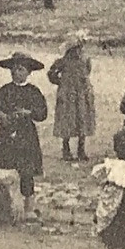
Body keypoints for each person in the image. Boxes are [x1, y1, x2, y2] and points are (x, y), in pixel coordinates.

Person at [0, 50, 49, 220]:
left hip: (26, 137)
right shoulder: (4, 91)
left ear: (29, 72)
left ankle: (29, 209)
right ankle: (3, 208)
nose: (17, 73)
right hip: (7, 136)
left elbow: (42, 113)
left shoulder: (34, 92)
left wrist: (28, 112)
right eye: (14, 69)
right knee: (4, 170)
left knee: (26, 173)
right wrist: (2, 116)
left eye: (21, 69)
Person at [48, 32, 96, 161]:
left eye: (80, 48)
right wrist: (61, 83)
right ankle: (66, 149)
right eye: (76, 48)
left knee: (82, 120)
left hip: (82, 94)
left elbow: (87, 72)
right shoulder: (62, 61)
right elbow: (51, 73)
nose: (78, 51)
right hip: (68, 95)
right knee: (67, 121)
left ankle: (81, 150)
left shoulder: (86, 59)